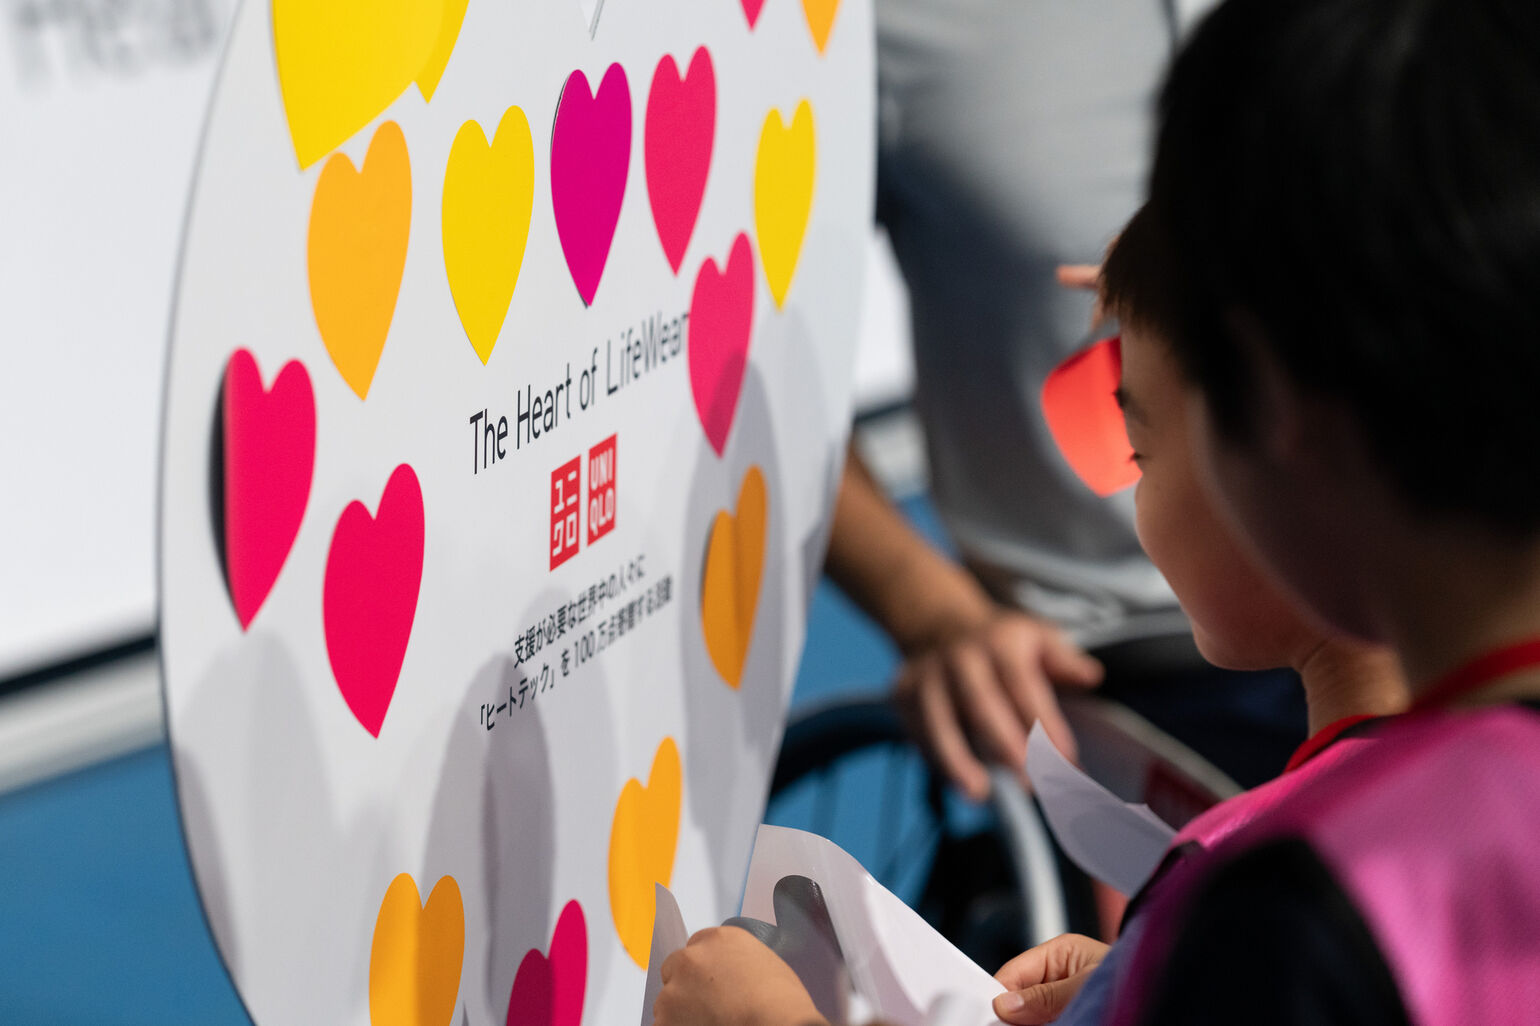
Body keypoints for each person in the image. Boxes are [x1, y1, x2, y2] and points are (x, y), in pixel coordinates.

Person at [650, 201, 1409, 1026]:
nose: (1130, 497)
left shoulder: (1262, 900)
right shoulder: (1450, 809)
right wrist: (1143, 984)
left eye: (1140, 450)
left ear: (1274, 471)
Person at [828, 0, 1305, 802]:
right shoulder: (873, 28)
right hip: (1116, 688)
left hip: (1430, 620)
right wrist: (937, 614)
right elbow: (729, 355)